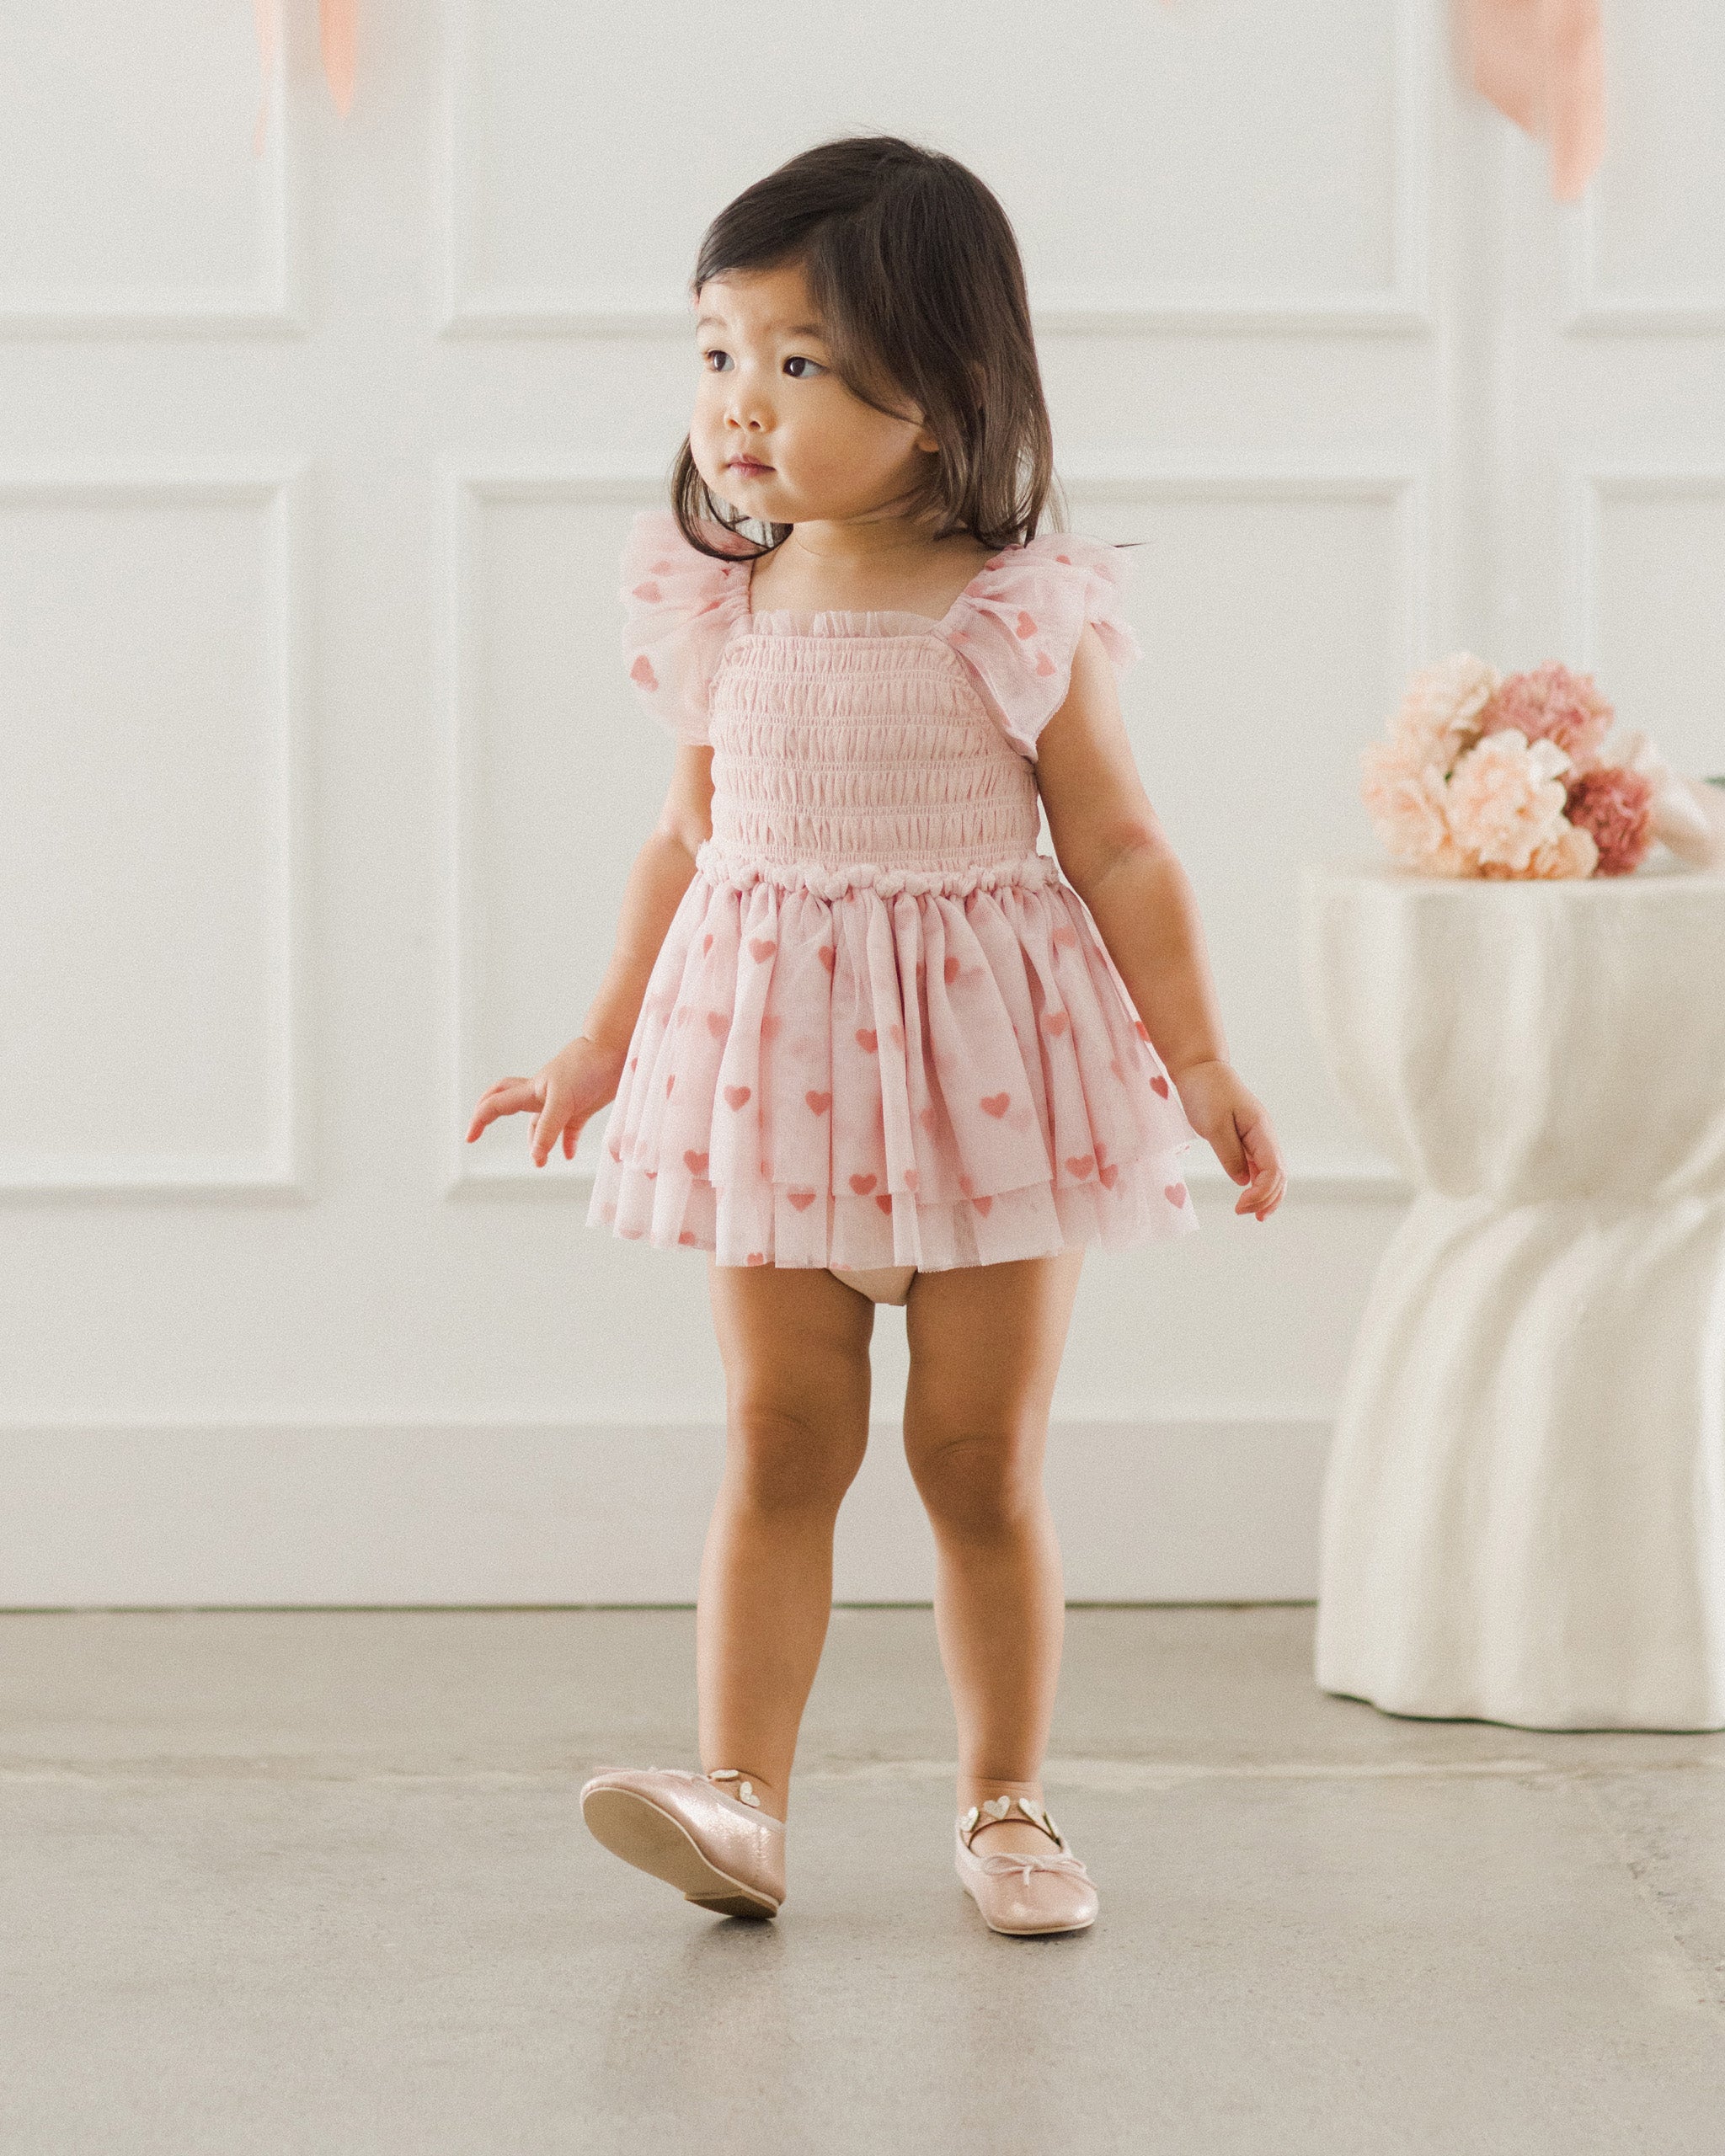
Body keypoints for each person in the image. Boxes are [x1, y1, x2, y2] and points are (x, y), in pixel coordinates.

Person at [466, 134, 1285, 1938]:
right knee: (778, 1439)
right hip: (772, 1081)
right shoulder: (721, 599)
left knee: (976, 1463)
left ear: (944, 395)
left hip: (993, 1090)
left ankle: (1007, 1801)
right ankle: (740, 1798)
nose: (740, 405)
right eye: (716, 353)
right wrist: (598, 1043)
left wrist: (1205, 1061)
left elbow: (1119, 846)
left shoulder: (1016, 609)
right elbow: (685, 841)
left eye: (800, 362)